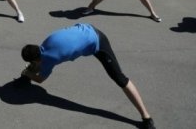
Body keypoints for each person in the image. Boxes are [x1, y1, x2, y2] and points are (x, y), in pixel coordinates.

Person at [20, 23, 156, 129]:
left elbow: (41, 79)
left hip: (98, 42)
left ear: (35, 59)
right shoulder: (46, 42)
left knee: (120, 79)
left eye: (32, 62)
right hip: (86, 28)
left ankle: (146, 118)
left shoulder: (49, 58)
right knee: (40, 63)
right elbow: (42, 59)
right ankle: (25, 78)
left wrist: (27, 73)